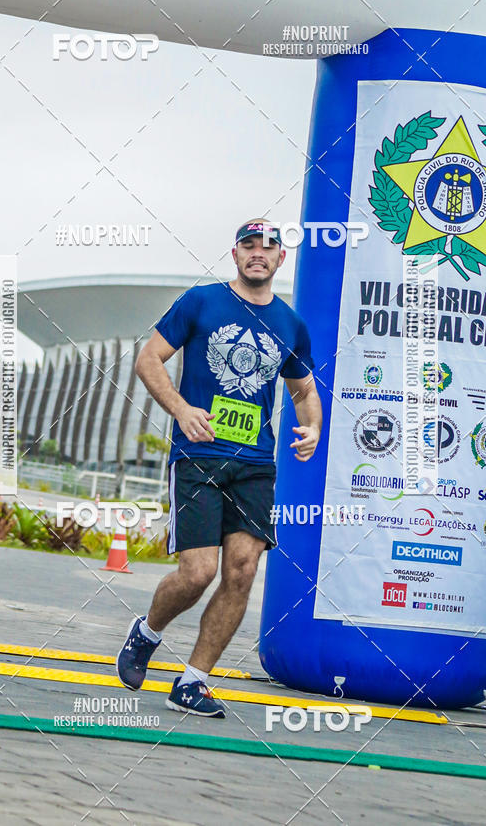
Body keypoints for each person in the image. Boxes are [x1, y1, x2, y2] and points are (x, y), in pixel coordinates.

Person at [116, 219, 322, 718]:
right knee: (198, 573)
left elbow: (304, 390)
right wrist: (182, 411)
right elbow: (149, 360)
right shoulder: (202, 302)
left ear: (280, 260)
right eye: (249, 246)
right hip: (199, 456)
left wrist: (312, 427)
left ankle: (192, 682)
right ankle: (146, 634)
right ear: (235, 255)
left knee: (242, 571)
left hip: (255, 465)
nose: (258, 254)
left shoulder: (291, 324)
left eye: (267, 248)